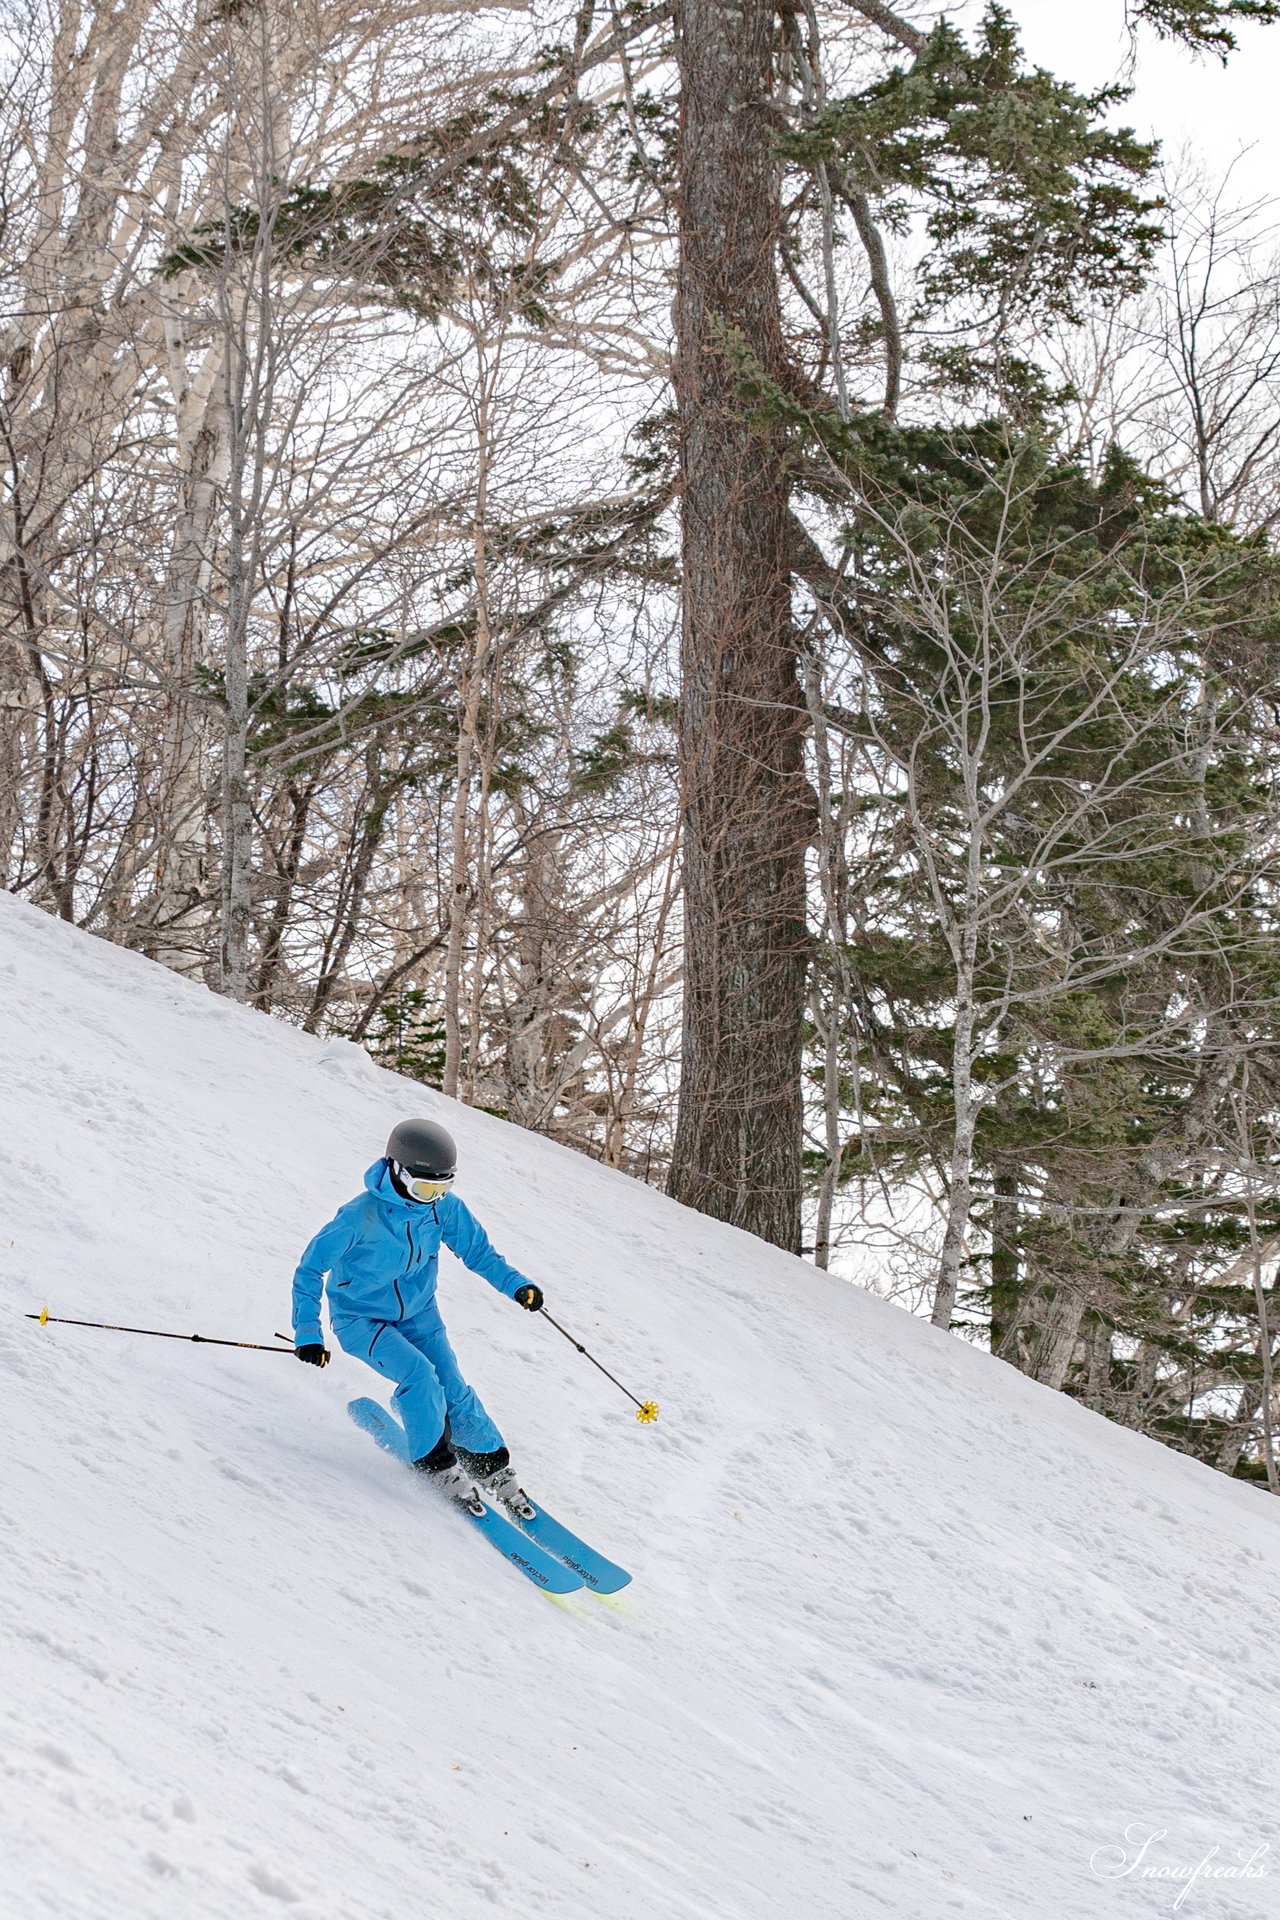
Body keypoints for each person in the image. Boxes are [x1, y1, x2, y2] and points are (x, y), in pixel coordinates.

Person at [291, 1117, 544, 1516]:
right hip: (362, 1320)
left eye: (442, 1188)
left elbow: (479, 1253)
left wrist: (516, 1285)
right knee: (419, 1376)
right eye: (426, 1187)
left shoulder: (443, 1209)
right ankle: (436, 1464)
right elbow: (309, 1270)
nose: (432, 1197)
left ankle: (488, 1464)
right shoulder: (359, 1217)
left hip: (420, 1313)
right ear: (397, 1170)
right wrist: (308, 1332)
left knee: (452, 1386)